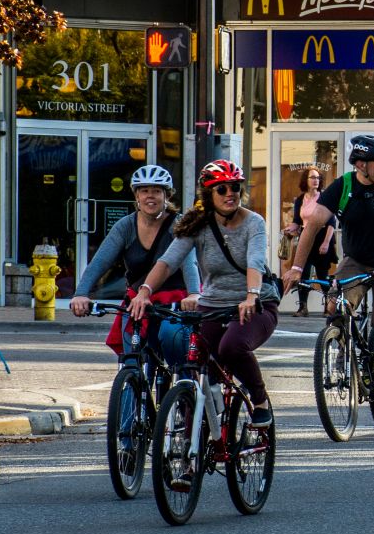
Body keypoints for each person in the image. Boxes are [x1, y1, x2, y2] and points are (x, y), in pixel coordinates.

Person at [129, 160, 279, 427]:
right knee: (195, 363)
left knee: (231, 347)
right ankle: (189, 449)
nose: (230, 193)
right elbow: (167, 261)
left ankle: (259, 399)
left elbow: (255, 261)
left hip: (256, 304)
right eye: (221, 189)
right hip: (211, 306)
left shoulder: (253, 222)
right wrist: (144, 291)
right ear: (208, 195)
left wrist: (252, 295)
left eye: (234, 187)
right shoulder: (196, 223)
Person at [285, 134, 374, 417]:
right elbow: (312, 225)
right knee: (334, 304)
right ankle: (342, 346)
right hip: (356, 261)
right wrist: (296, 267)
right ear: (361, 164)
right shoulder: (343, 186)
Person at [69, 164, 199, 365]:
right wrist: (81, 293)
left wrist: (193, 295)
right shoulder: (125, 226)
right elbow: (100, 262)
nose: (150, 196)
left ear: (167, 196)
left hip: (173, 302)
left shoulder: (178, 225)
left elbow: (189, 262)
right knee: (131, 359)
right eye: (144, 191)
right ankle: (131, 387)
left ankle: (183, 389)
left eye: (157, 191)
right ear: (136, 196)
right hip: (137, 302)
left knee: (174, 346)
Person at [281, 165, 337, 315]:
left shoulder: (324, 197)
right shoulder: (300, 199)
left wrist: (326, 243)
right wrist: (289, 229)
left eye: (318, 178)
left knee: (322, 274)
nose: (316, 180)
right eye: (312, 177)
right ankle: (303, 307)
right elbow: (297, 221)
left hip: (323, 236)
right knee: (302, 273)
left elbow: (332, 223)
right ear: (305, 180)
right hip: (306, 237)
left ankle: (328, 306)